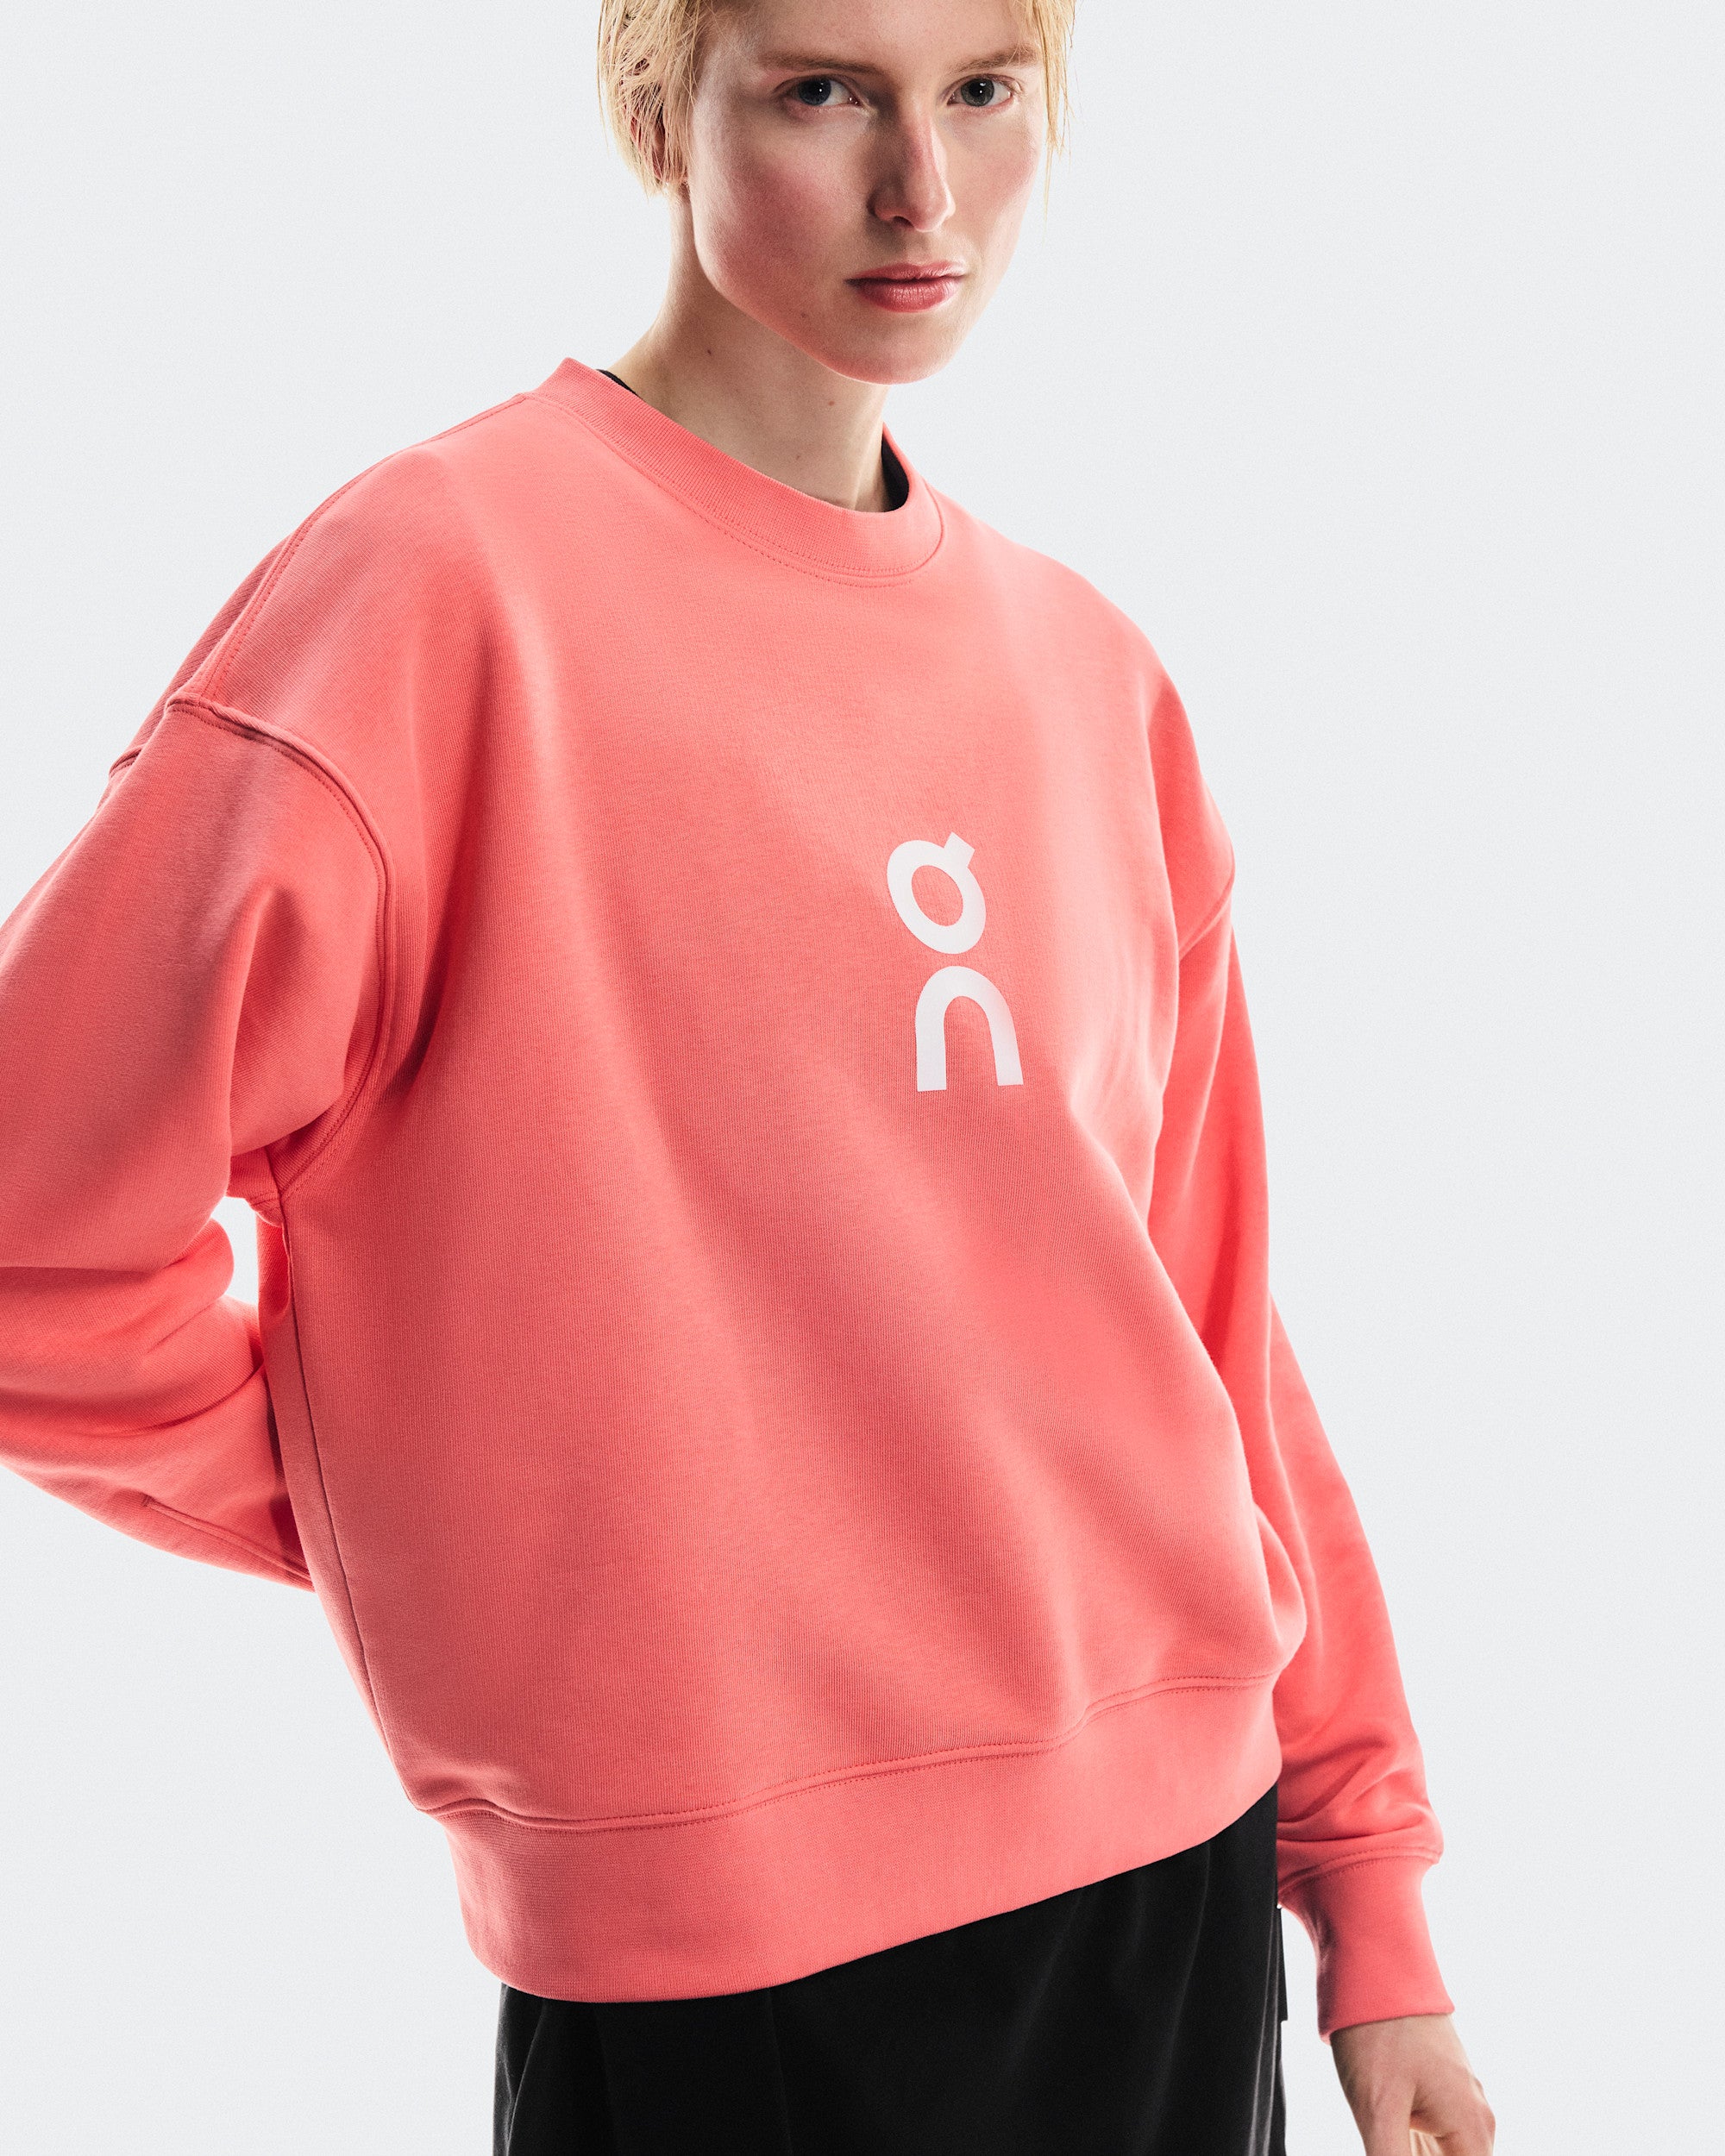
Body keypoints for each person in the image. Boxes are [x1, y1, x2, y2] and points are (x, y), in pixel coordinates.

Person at [0, 1, 1497, 2151]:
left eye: (982, 91)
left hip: (1174, 1871)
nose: (923, 188)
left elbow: (1211, 1327)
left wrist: (1369, 1882)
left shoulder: (1089, 671)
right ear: (654, 106)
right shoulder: (437, 591)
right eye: (823, 91)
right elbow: (38, 1247)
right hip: (719, 1938)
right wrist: (471, 1514)